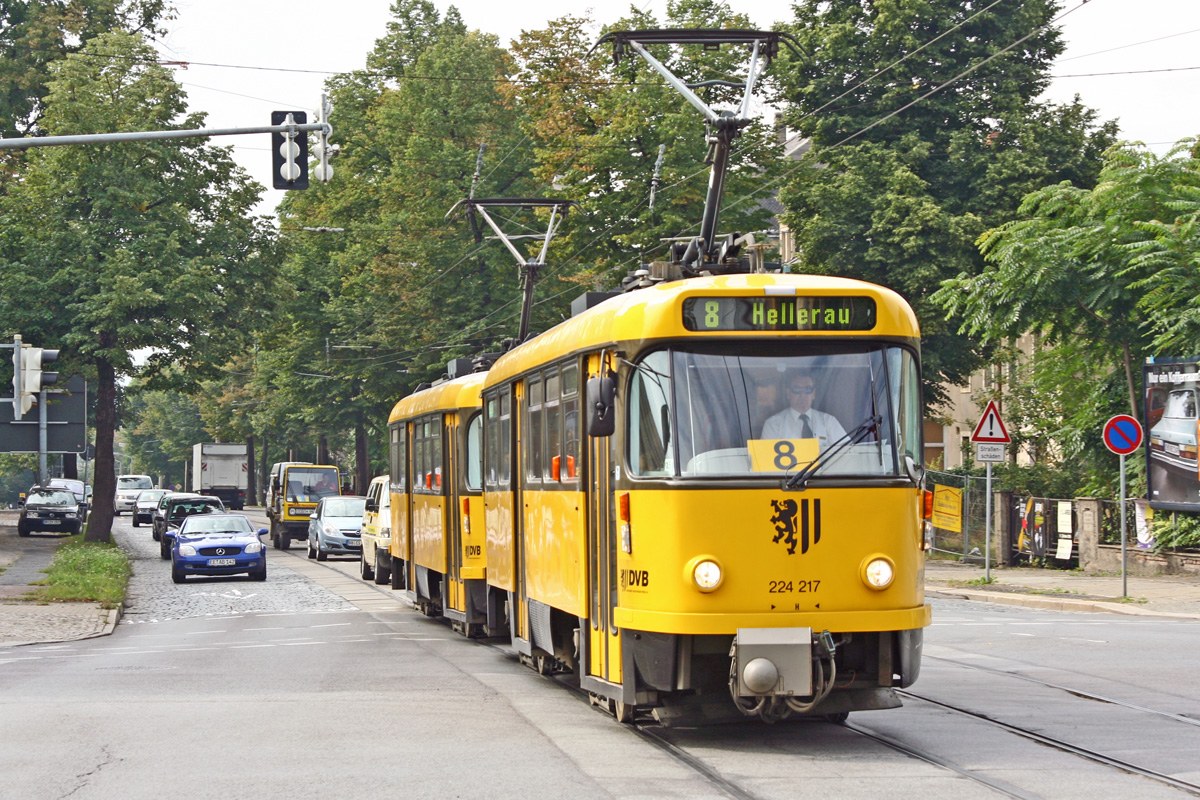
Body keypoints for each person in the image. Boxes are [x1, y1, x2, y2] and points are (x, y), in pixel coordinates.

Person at [760, 370, 847, 449]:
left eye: (808, 389)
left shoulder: (828, 421)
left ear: (813, 394)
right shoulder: (774, 424)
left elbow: (847, 453)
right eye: (797, 389)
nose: (803, 394)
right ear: (788, 394)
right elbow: (767, 458)